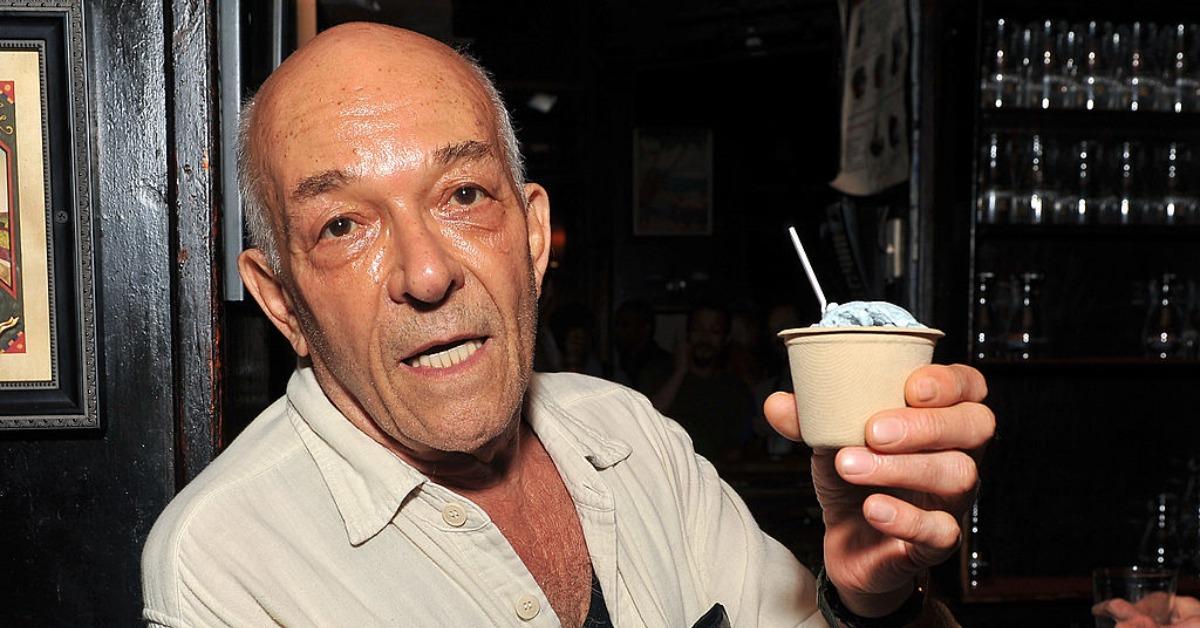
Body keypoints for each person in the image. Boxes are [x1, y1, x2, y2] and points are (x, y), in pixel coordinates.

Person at [141, 23, 994, 627]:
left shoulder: (632, 436)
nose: (427, 273)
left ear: (535, 238)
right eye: (342, 226)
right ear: (282, 300)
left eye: (464, 196)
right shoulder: (227, 562)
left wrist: (867, 597)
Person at [651, 303, 755, 461]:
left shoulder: (735, 389)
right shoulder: (660, 375)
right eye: (698, 329)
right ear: (687, 334)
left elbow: (739, 450)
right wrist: (680, 372)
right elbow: (647, 421)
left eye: (714, 331)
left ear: (725, 339)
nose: (704, 338)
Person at [611, 299, 673, 395]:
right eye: (616, 324)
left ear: (645, 327)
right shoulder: (620, 360)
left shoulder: (661, 366)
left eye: (625, 325)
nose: (618, 330)